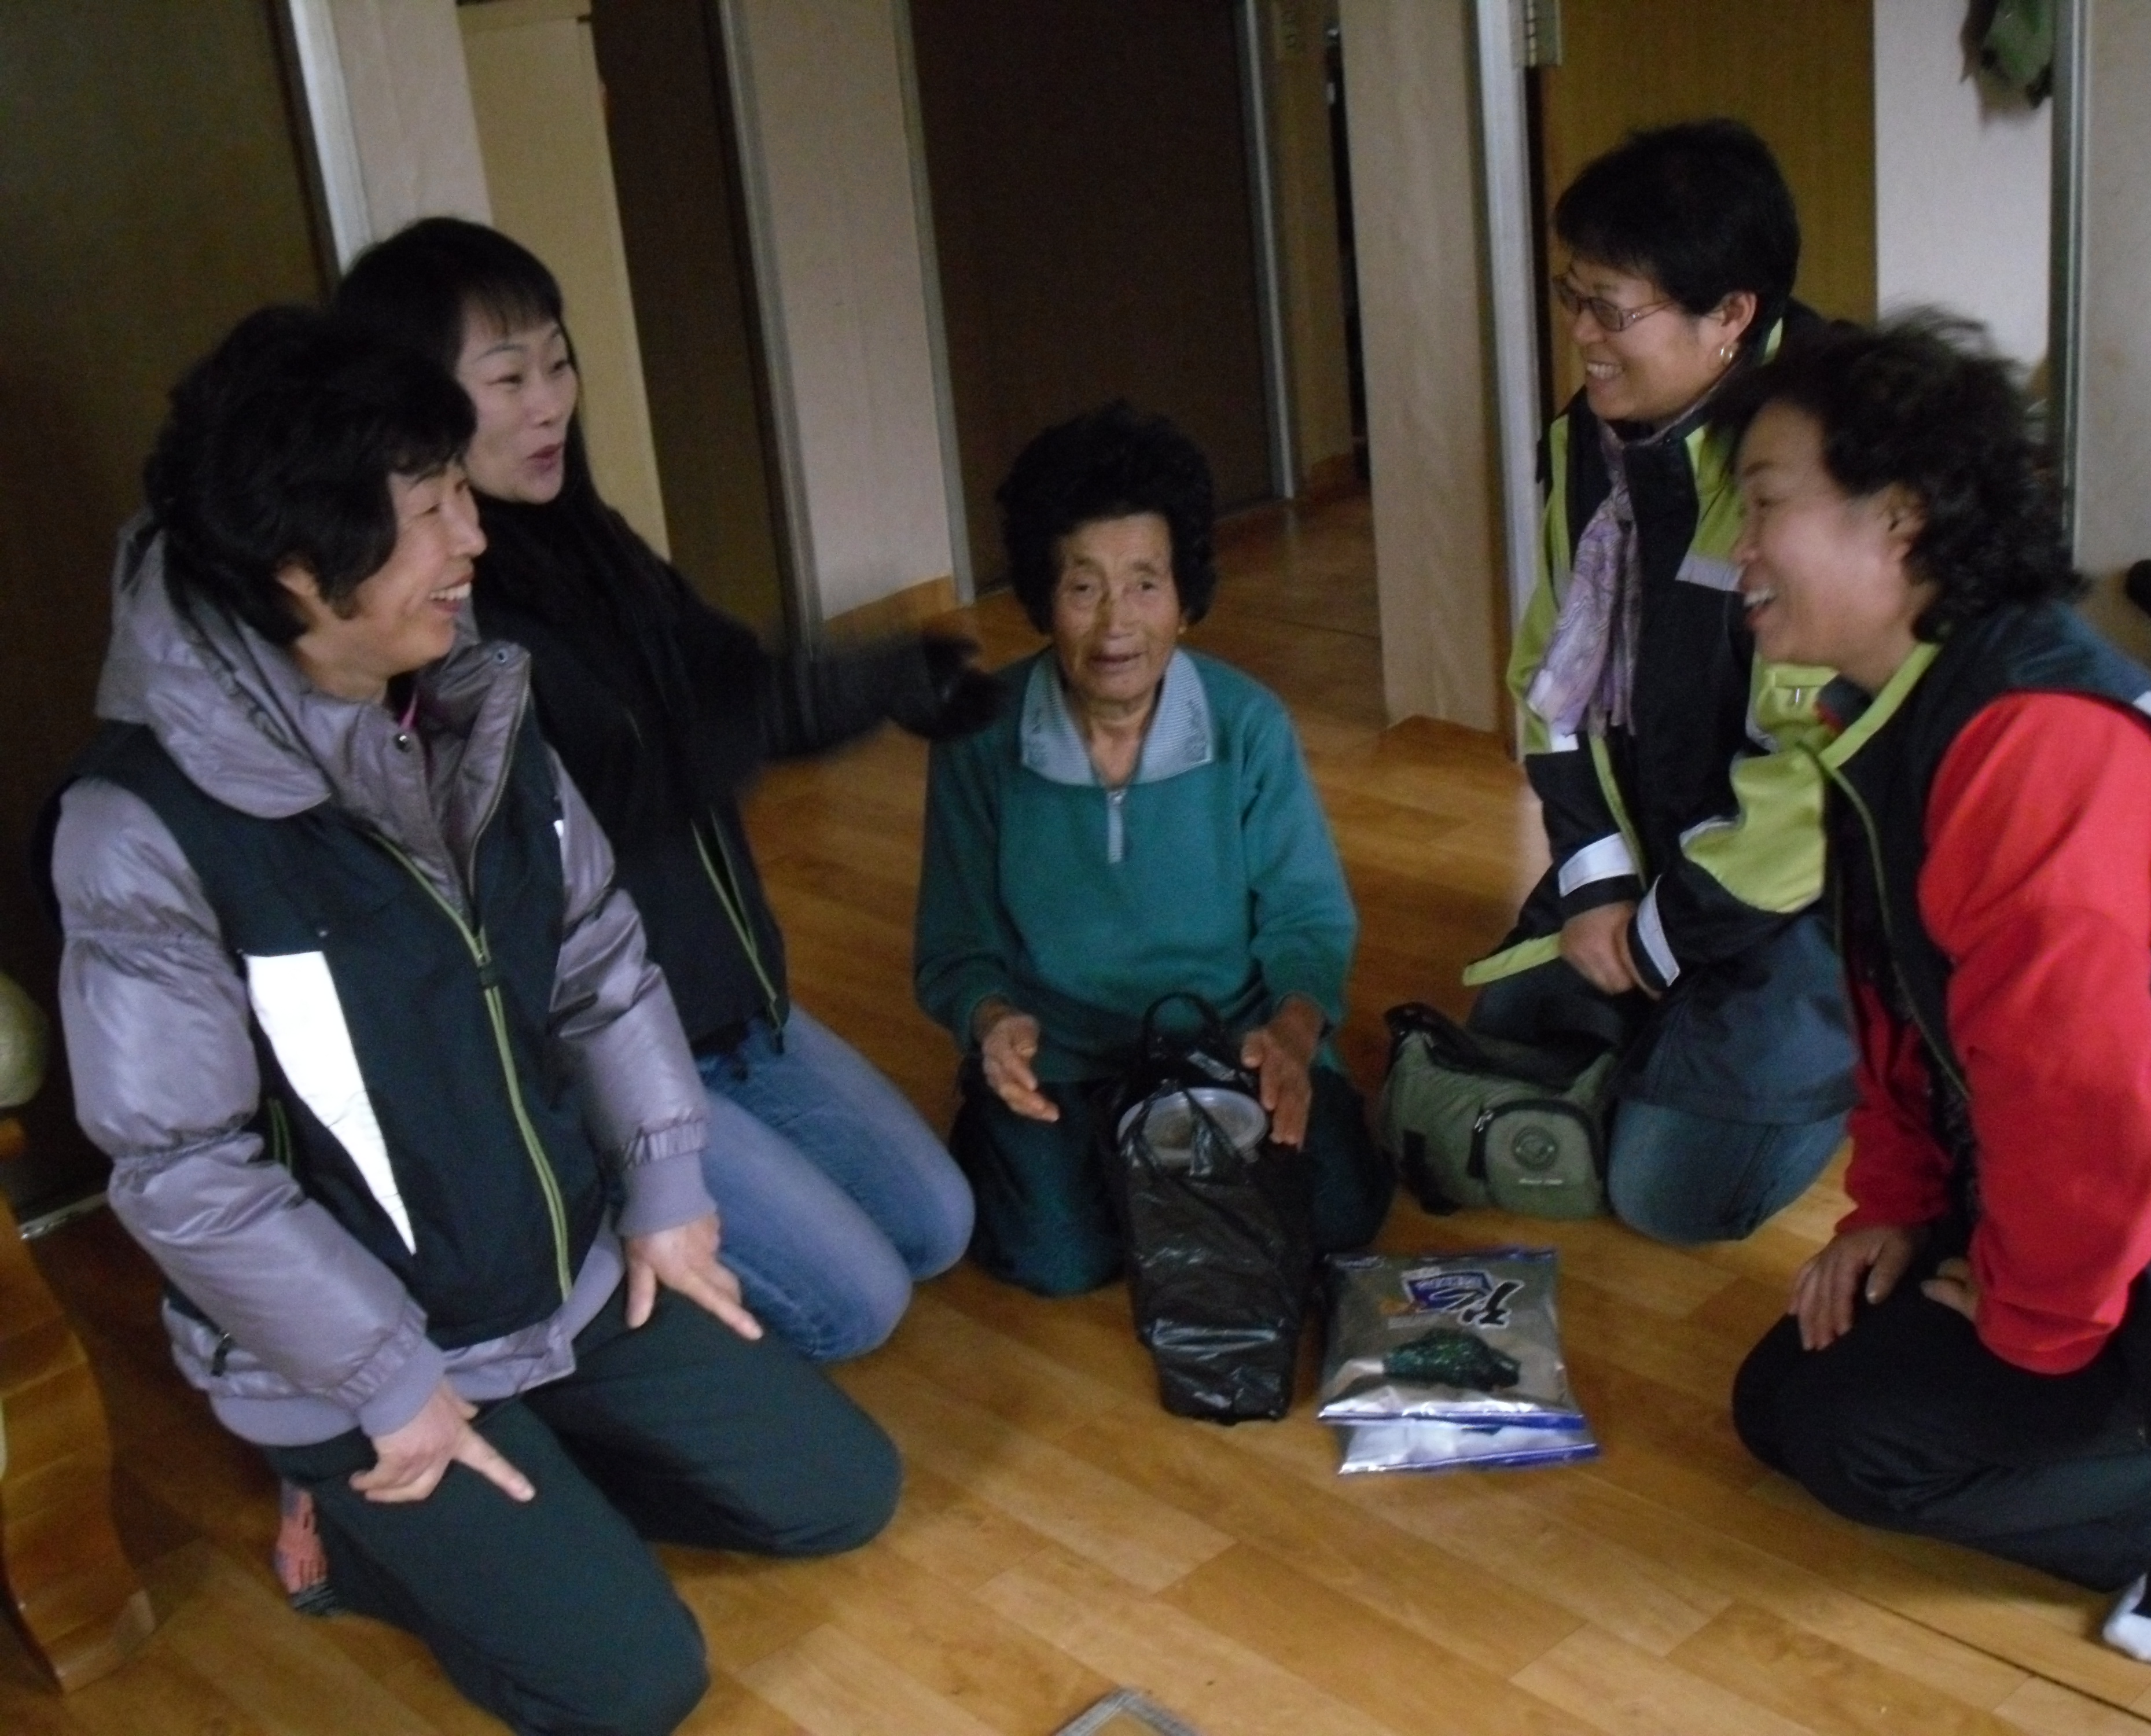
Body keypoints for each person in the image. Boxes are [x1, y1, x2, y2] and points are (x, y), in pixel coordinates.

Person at [46, 307, 898, 1734]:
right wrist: (385, 1382)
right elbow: (182, 1170)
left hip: (554, 1276)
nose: (473, 538)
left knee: (839, 1493)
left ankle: (533, 1503)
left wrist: (665, 1185)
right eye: (431, 508)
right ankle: (355, 1534)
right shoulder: (140, 829)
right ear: (301, 569)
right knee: (633, 1684)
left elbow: (596, 954)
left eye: (462, 492)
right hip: (364, 1352)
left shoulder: (468, 700)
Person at [1715, 315, 2151, 1667]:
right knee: (1782, 1397)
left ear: (1899, 516)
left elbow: (2074, 1094)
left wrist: (2034, 1323)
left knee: (1854, 1440)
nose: (1738, 551)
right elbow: (1895, 1000)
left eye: (1763, 505)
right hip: (2120, 1192)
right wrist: (1898, 1206)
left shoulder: (2032, 742)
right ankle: (2128, 1414)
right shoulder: (1904, 703)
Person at [337, 218, 983, 1365]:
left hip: (730, 1012)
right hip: (616, 1062)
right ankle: (600, 1230)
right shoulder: (447, 629)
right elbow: (626, 783)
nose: (551, 404)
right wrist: (846, 689)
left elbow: (730, 683)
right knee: (859, 1306)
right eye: (508, 379)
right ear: (412, 407)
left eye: (558, 363)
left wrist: (891, 682)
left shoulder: (592, 542)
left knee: (938, 1224)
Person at [1465, 119, 1854, 1245]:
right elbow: (1548, 675)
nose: (1580, 334)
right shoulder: (1590, 445)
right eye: (1571, 295)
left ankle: (1873, 1044)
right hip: (1657, 847)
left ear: (1729, 315)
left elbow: (1813, 783)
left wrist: (1659, 937)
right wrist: (1596, 880)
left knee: (1668, 1197)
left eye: (1609, 307)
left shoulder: (1824, 466)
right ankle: (1667, 1019)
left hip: (1803, 901)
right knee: (1501, 1048)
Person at [914, 403, 1394, 1296]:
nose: (1116, 626)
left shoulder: (1248, 725)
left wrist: (1293, 1034)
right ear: (1044, 598)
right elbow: (956, 943)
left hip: (1230, 1043)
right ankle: (1040, 1141)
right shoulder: (978, 740)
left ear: (1185, 598)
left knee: (1337, 1218)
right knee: (1058, 1261)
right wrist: (991, 1021)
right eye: (1083, 587)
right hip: (1062, 1055)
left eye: (1145, 584)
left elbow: (1308, 917)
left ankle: (1138, 1177)